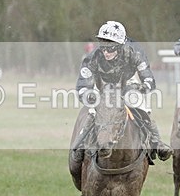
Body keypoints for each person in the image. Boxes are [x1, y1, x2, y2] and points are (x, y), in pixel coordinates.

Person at [71, 20, 172, 164]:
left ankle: (156, 142)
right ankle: (81, 143)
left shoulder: (135, 52)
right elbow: (82, 86)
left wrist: (137, 88)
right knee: (93, 110)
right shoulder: (92, 58)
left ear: (120, 46)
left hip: (128, 83)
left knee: (140, 105)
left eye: (110, 48)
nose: (106, 52)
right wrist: (91, 96)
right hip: (102, 84)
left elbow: (149, 81)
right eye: (103, 47)